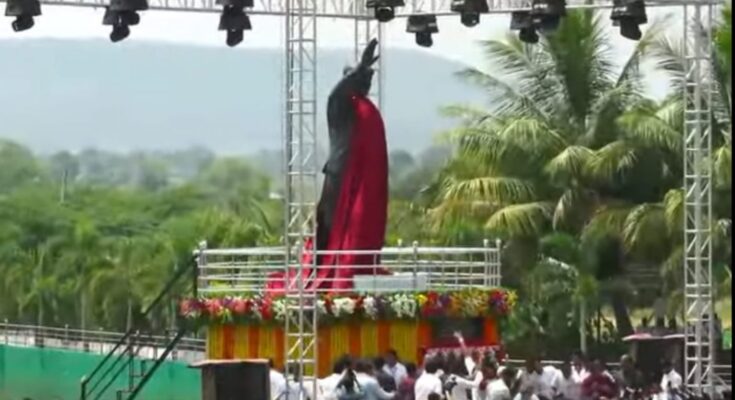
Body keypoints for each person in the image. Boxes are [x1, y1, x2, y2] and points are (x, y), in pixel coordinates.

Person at [265, 38, 389, 292]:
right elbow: (338, 92)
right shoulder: (340, 103)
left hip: (363, 181)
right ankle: (328, 272)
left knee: (364, 227)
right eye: (359, 78)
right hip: (341, 177)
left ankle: (356, 268)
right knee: (333, 230)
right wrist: (361, 68)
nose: (366, 82)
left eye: (368, 78)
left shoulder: (365, 107)